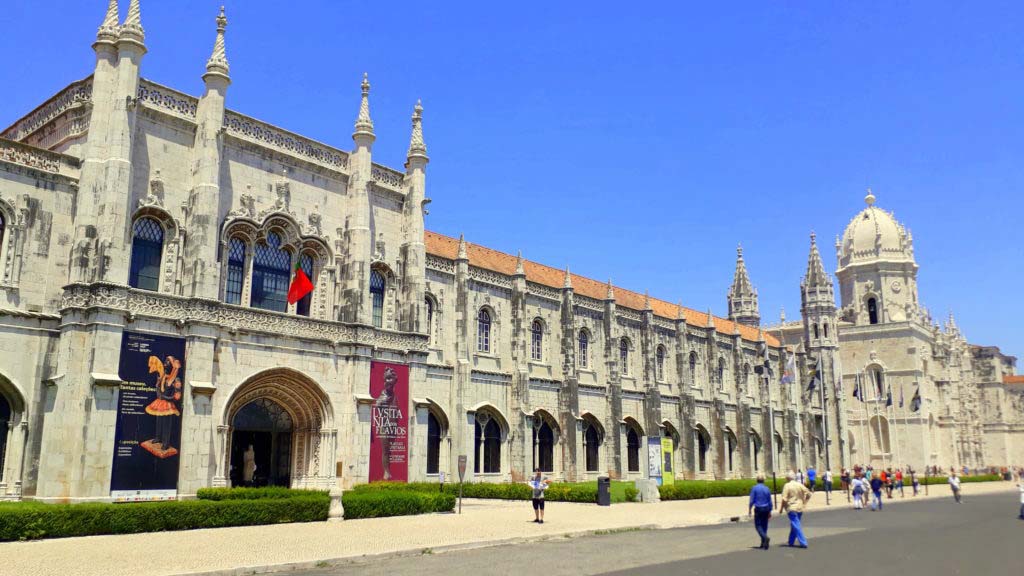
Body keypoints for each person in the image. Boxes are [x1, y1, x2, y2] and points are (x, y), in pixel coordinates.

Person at [779, 472, 812, 548]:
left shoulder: (787, 485)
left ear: (787, 478)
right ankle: (791, 541)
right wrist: (805, 502)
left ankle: (803, 542)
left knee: (796, 524)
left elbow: (784, 499)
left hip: (791, 507)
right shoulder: (799, 484)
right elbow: (809, 494)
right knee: (794, 524)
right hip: (800, 507)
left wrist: (781, 508)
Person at [748, 473, 774, 549]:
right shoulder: (767, 488)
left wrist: (749, 509)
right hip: (766, 508)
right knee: (764, 525)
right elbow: (770, 501)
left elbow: (751, 500)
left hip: (759, 508)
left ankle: (765, 538)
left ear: (757, 480)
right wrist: (770, 510)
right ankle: (763, 543)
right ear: (764, 481)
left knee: (758, 526)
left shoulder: (754, 488)